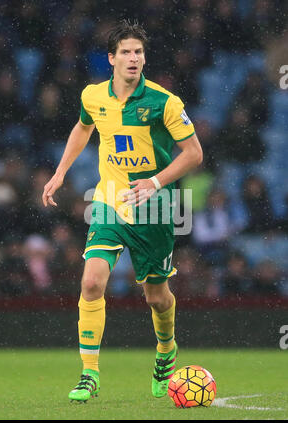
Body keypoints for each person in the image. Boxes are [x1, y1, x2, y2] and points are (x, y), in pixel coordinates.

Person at [42, 20, 203, 403]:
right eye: (127, 52)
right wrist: (61, 172)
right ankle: (89, 374)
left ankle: (166, 351)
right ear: (111, 58)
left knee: (156, 296)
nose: (134, 58)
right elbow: (84, 127)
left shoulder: (165, 102)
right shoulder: (94, 96)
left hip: (156, 208)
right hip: (110, 200)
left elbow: (195, 153)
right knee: (92, 282)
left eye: (139, 52)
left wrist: (155, 183)